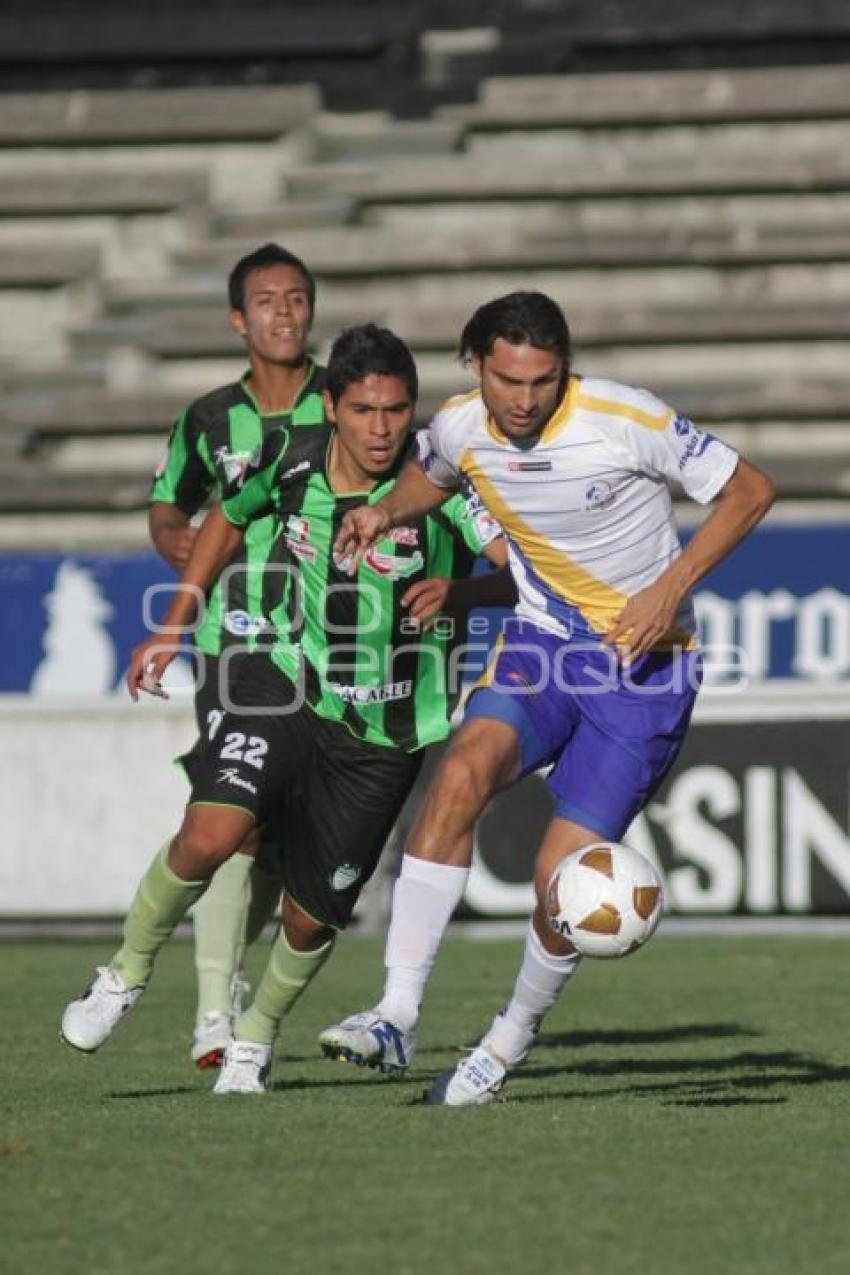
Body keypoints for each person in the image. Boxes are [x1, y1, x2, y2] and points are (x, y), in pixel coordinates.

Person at [323, 290, 775, 1105]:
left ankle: (505, 1041)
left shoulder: (622, 417)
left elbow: (749, 490)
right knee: (462, 769)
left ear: (564, 369)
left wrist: (669, 588)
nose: (525, 400)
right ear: (477, 367)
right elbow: (430, 477)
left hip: (645, 669)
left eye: (542, 380)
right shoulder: (463, 426)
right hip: (543, 645)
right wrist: (379, 513)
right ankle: (395, 1012)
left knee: (556, 879)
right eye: (508, 381)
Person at [60, 324, 513, 1094]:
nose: (382, 429)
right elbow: (228, 518)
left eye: (397, 410)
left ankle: (255, 1037)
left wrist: (463, 592)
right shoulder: (289, 458)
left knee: (311, 917)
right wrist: (172, 627)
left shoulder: (443, 484)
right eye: (365, 409)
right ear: (331, 405)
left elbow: (523, 574)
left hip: (388, 730)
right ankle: (124, 972)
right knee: (211, 833)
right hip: (286, 682)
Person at [149, 241, 325, 1069]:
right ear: (236, 318)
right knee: (240, 819)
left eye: (295, 299)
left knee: (292, 841)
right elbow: (168, 507)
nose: (283, 313)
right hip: (236, 642)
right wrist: (176, 544)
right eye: (266, 300)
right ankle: (213, 1011)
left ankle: (231, 982)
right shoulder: (209, 418)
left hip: (335, 647)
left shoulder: (353, 400)